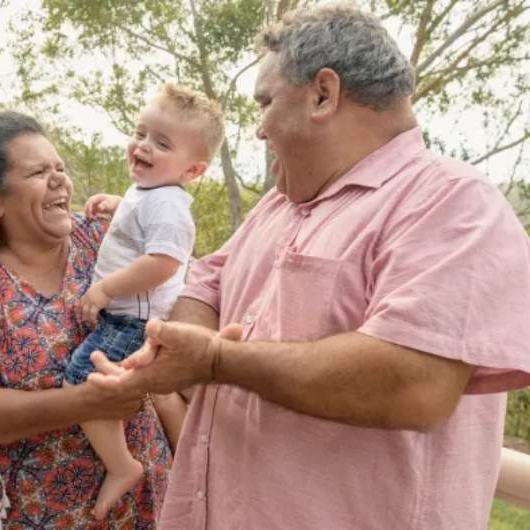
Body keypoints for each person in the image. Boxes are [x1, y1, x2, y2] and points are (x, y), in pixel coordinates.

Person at [90, 4, 530, 529]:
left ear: (323, 94)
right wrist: (178, 349)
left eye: (266, 103)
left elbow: (416, 382)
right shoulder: (278, 206)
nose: (258, 130)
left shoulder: (452, 203)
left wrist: (216, 362)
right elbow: (205, 286)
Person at [0, 111, 171, 529]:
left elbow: (185, 279)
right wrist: (82, 403)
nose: (59, 181)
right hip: (36, 516)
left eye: (60, 168)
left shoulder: (105, 240)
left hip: (147, 507)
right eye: (37, 172)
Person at [63, 83, 225, 520]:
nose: (143, 146)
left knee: (83, 380)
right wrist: (118, 205)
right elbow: (141, 223)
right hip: (132, 317)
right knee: (160, 391)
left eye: (162, 143)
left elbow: (164, 262)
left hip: (132, 321)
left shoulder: (170, 204)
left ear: (193, 170)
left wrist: (106, 288)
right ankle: (182, 458)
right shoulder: (151, 192)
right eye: (141, 133)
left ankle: (122, 466)